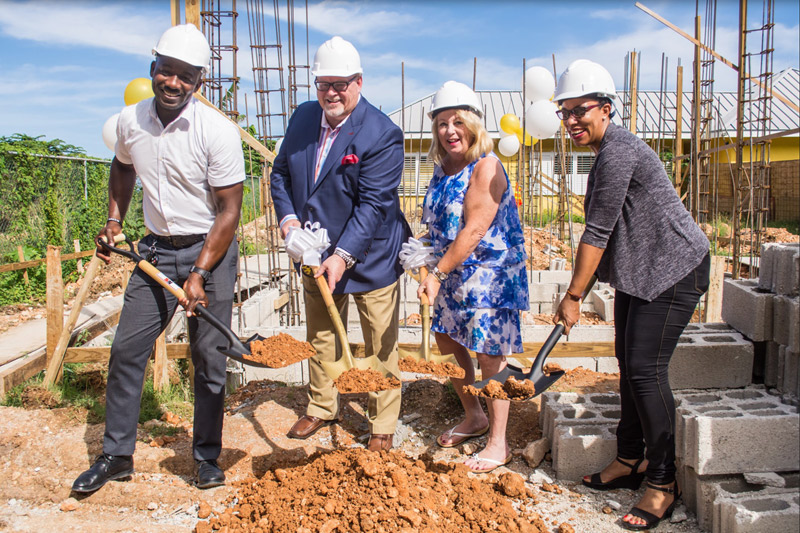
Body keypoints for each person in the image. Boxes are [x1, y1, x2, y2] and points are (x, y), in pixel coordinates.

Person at [72, 24, 245, 493]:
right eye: (166, 72)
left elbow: (230, 211)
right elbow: (122, 165)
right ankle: (116, 455)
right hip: (154, 249)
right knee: (127, 350)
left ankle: (206, 457)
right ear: (153, 70)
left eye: (184, 76)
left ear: (198, 82)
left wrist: (200, 272)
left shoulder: (218, 132)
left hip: (209, 249)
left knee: (209, 357)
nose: (173, 83)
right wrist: (114, 220)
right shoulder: (131, 121)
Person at [552, 59, 710, 531]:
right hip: (643, 273)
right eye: (564, 113)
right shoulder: (606, 152)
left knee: (645, 370)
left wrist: (574, 294)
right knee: (628, 360)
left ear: (605, 107)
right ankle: (629, 460)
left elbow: (597, 231)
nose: (572, 121)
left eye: (580, 110)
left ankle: (663, 484)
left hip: (675, 268)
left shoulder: (619, 151)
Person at [270, 36, 411, 452]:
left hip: (369, 254)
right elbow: (280, 174)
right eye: (323, 84)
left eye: (340, 84)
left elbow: (373, 205)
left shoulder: (382, 133)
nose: (331, 92)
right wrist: (288, 218)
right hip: (313, 250)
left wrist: (343, 256)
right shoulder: (302, 119)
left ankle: (381, 421)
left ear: (359, 82)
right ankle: (321, 405)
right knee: (322, 336)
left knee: (379, 342)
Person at [416, 81, 529, 474]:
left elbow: (475, 228)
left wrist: (437, 272)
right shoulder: (441, 169)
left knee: (489, 353)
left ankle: (499, 442)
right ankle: (474, 416)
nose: (450, 130)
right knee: (446, 339)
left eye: (458, 121)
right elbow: (436, 225)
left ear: (474, 125)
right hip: (452, 271)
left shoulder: (486, 165)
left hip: (489, 275)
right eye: (442, 123)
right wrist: (420, 253)